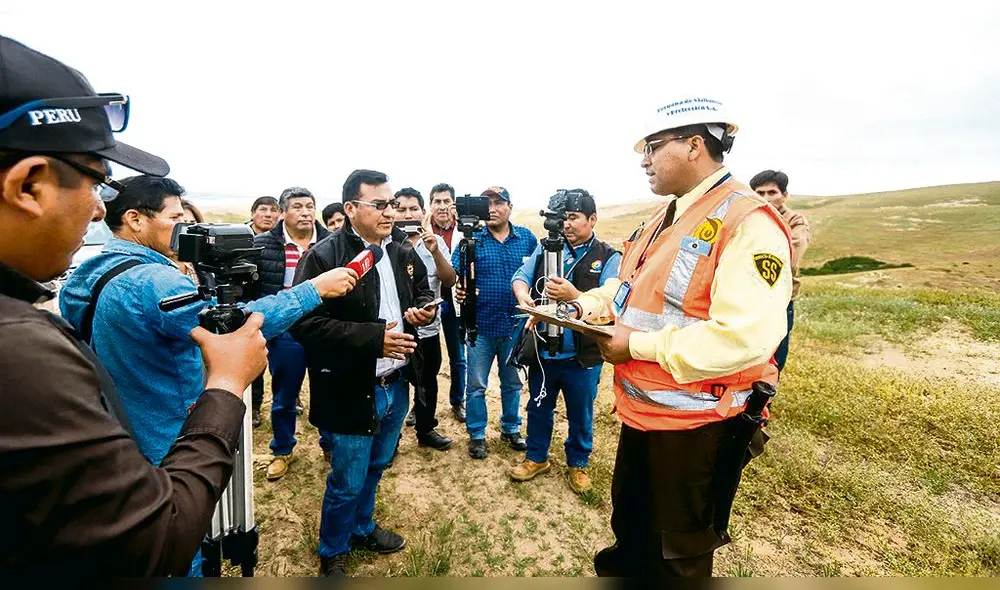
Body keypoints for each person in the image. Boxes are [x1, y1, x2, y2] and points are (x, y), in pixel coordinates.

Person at [0, 34, 269, 575]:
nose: (100, 208)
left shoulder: (73, 284)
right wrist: (223, 386)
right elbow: (156, 539)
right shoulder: (20, 351)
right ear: (29, 184)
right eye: (98, 180)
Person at [58, 176, 357, 576]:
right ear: (135, 219)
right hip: (168, 437)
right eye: (175, 217)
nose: (185, 228)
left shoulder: (90, 271)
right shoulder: (154, 280)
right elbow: (236, 330)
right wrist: (313, 290)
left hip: (120, 426)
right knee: (182, 538)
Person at [570, 98, 792, 577]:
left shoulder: (747, 222)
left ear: (694, 146)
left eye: (651, 146)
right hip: (644, 417)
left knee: (677, 560)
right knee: (632, 535)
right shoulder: (663, 217)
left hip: (699, 429)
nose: (643, 159)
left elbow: (743, 338)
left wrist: (635, 346)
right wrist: (584, 306)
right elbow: (627, 288)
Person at [290, 169, 436, 577]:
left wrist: (421, 308)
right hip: (351, 387)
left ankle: (362, 527)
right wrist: (375, 340)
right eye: (381, 204)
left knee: (377, 466)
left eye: (392, 204)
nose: (390, 212)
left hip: (397, 382)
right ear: (351, 208)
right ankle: (332, 549)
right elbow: (304, 324)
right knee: (347, 478)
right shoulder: (324, 257)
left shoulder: (401, 252)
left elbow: (421, 289)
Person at [509, 189, 621, 494]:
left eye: (573, 217)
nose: (566, 224)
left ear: (592, 219)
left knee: (580, 412)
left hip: (583, 356)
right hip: (545, 351)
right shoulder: (546, 250)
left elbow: (613, 303)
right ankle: (536, 457)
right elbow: (521, 276)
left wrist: (575, 296)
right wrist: (524, 297)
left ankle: (578, 464)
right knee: (539, 406)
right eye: (562, 218)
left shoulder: (609, 257)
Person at [452, 187, 538, 459]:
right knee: (476, 384)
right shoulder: (470, 240)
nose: (492, 207)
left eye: (498, 202)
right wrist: (460, 289)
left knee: (512, 382)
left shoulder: (526, 238)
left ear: (510, 206)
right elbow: (457, 275)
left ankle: (511, 428)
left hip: (515, 326)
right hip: (481, 326)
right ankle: (477, 434)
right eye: (486, 202)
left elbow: (538, 275)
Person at [252, 187, 332, 477]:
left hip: (324, 328)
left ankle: (330, 443)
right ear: (283, 212)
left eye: (310, 206)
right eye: (297, 206)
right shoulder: (263, 245)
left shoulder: (330, 243)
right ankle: (283, 449)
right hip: (285, 331)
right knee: (284, 394)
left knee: (327, 389)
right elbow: (256, 290)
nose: (306, 212)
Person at [394, 187, 456, 450]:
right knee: (396, 382)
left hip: (429, 328)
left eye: (413, 209)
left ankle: (425, 429)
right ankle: (391, 437)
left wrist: (435, 252)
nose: (408, 214)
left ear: (423, 212)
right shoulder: (387, 242)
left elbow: (449, 280)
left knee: (428, 380)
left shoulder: (435, 241)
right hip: (395, 329)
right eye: (401, 209)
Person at [750, 170, 810, 373]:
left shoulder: (795, 221)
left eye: (772, 192)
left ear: (784, 195)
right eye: (760, 193)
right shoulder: (750, 219)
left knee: (776, 351)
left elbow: (790, 256)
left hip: (780, 298)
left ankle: (766, 398)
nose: (765, 198)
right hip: (750, 295)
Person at [426, 183, 467, 422]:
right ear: (430, 205)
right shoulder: (419, 230)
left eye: (446, 201)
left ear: (453, 204)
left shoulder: (464, 230)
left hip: (455, 300)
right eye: (437, 201)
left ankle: (457, 401)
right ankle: (419, 405)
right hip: (428, 299)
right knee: (421, 354)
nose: (442, 206)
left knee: (457, 355)